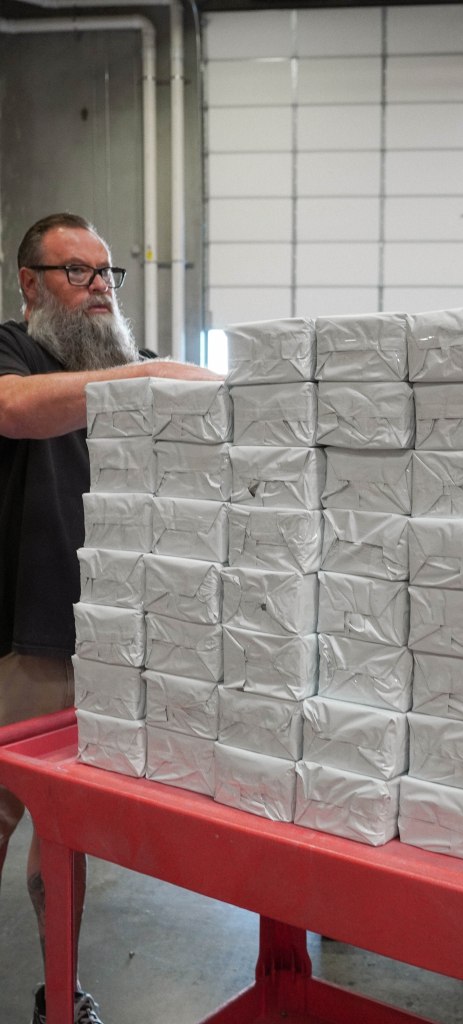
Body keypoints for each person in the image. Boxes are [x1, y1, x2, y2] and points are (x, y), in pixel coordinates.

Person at [0, 212, 223, 1024]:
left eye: (105, 272)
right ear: (30, 284)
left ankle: (60, 994)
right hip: (24, 640)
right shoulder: (15, 352)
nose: (99, 288)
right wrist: (149, 376)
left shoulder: (121, 368)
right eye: (77, 272)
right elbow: (15, 408)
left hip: (108, 644)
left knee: (67, 833)